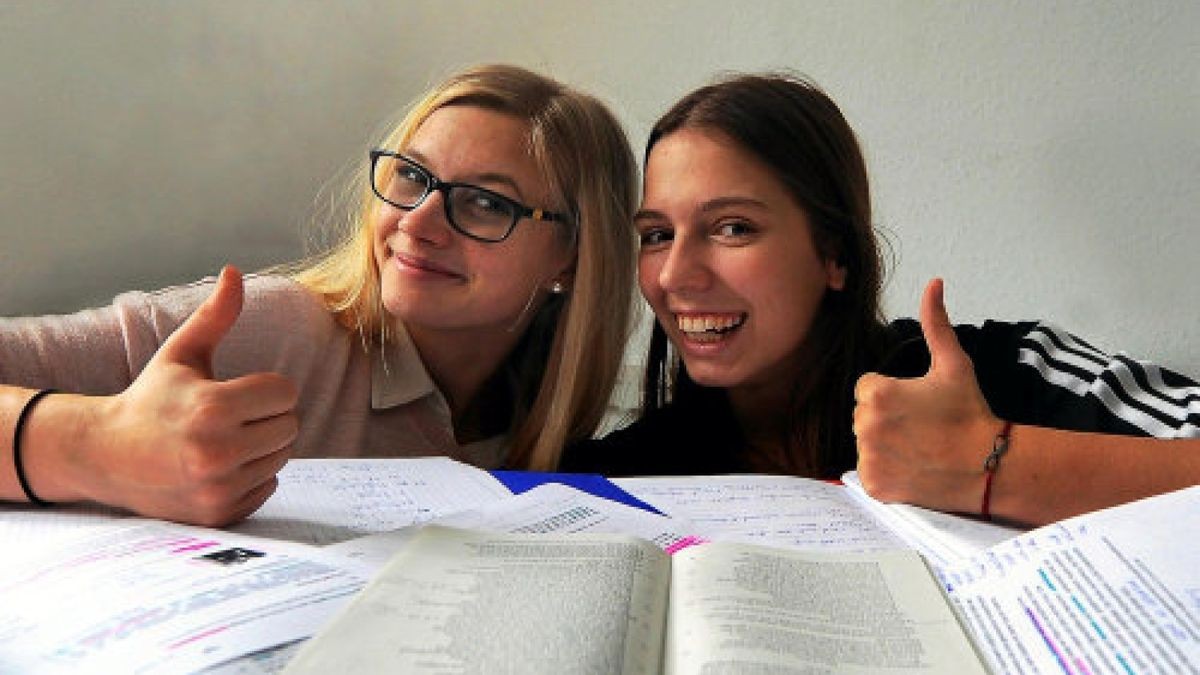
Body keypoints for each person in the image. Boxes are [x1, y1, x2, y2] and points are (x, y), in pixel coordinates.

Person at [1, 64, 638, 526]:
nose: (416, 222)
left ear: (574, 257)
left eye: (483, 202)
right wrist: (98, 443)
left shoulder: (556, 428)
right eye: (412, 176)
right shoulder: (273, 330)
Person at [561, 72, 1200, 526]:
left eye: (733, 228)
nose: (675, 274)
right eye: (656, 235)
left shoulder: (1008, 370)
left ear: (834, 255)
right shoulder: (621, 477)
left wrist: (989, 464)